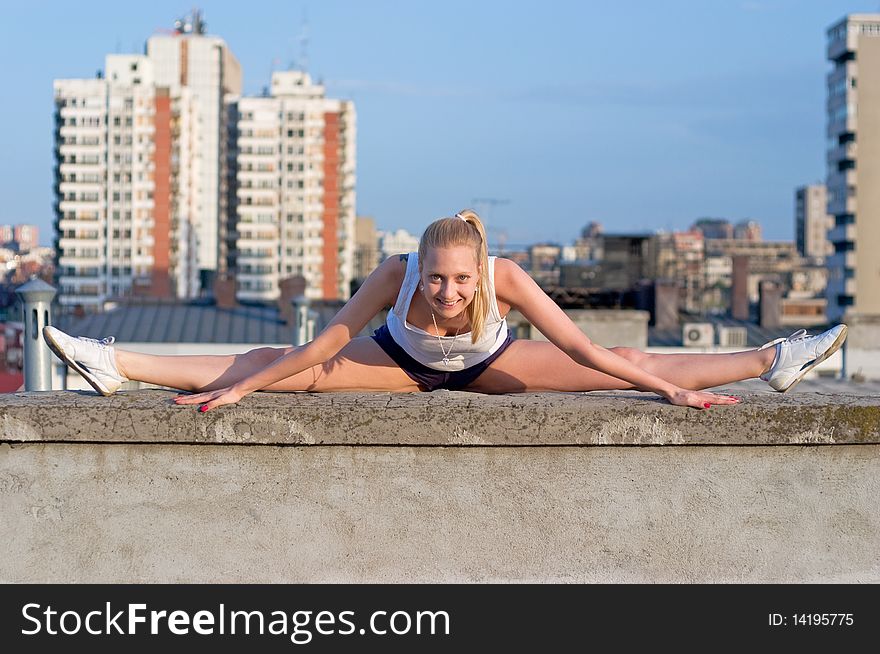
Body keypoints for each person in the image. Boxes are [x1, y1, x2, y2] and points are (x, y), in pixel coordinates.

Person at [43, 210, 847, 412]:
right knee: (284, 371)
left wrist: (672, 393)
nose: (449, 292)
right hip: (399, 365)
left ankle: (775, 359)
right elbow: (324, 340)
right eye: (437, 279)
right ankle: (114, 364)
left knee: (636, 369)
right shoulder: (394, 273)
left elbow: (589, 348)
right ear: (419, 266)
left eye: (460, 281)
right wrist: (246, 391)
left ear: (477, 270)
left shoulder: (505, 274)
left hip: (492, 365)